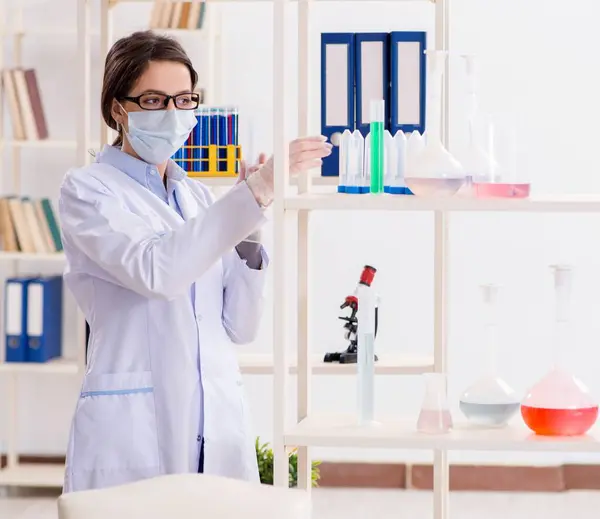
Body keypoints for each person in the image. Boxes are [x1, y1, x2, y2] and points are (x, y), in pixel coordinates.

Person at [58, 30, 331, 493]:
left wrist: (250, 230)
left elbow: (239, 327)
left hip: (216, 419)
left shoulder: (199, 196)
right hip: (133, 425)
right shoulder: (87, 191)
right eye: (154, 99)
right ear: (118, 108)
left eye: (184, 99)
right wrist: (255, 193)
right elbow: (157, 271)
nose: (173, 113)